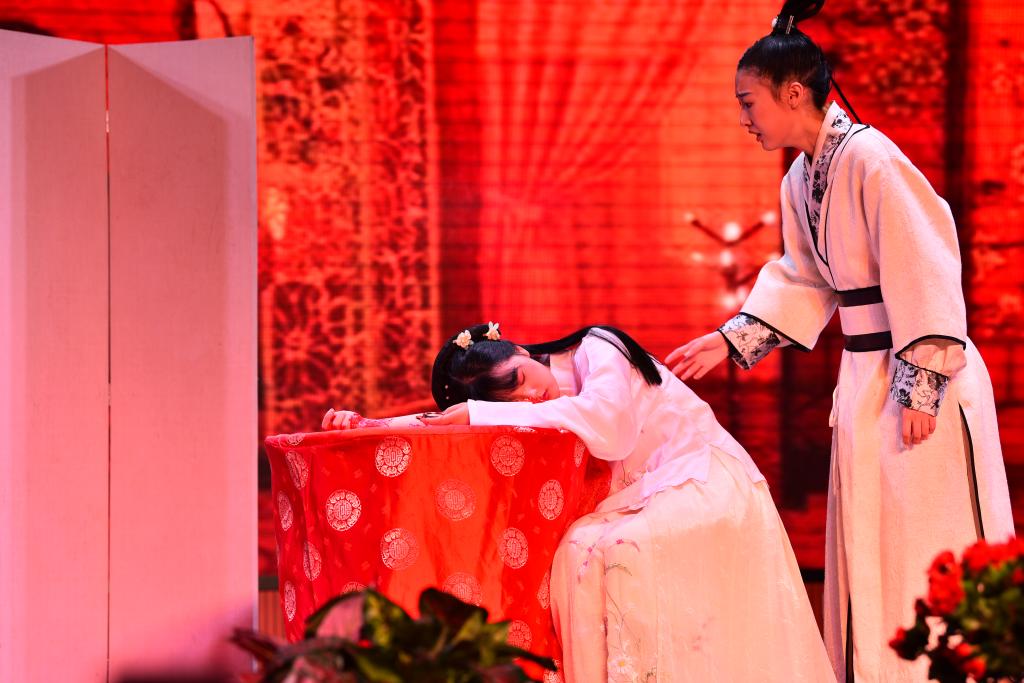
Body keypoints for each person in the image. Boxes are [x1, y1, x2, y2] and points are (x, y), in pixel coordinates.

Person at [665, 2, 1015, 681]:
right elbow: (803, 278)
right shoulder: (802, 179)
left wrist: (921, 384)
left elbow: (924, 259)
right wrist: (729, 340)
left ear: (793, 92)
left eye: (749, 102)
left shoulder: (872, 160)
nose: (745, 119)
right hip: (863, 376)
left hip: (916, 378)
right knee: (872, 535)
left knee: (923, 530)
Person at [325, 322, 835, 682]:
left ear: (521, 350)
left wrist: (484, 413)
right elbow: (446, 427)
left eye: (520, 379)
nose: (529, 399)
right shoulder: (537, 408)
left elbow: (610, 428)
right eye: (510, 401)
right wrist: (368, 425)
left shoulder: (598, 347)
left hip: (703, 479)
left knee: (620, 548)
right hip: (644, 497)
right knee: (574, 550)